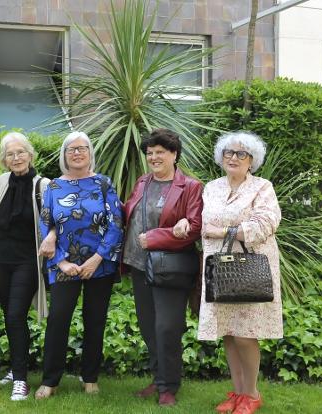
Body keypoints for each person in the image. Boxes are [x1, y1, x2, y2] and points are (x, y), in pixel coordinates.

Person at [198, 131, 283, 414]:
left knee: (247, 333)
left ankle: (252, 393)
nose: (233, 158)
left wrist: (224, 231)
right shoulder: (211, 187)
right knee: (229, 333)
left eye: (241, 154)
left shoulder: (262, 187)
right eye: (228, 153)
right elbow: (202, 222)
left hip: (249, 268)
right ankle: (237, 393)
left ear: (252, 161)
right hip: (219, 270)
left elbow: (266, 223)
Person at [34, 131, 123, 399]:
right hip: (63, 266)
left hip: (100, 266)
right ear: (64, 154)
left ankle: (90, 378)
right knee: (58, 321)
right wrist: (60, 261)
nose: (77, 153)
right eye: (71, 149)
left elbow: (116, 223)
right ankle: (50, 380)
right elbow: (45, 224)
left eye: (82, 148)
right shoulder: (54, 187)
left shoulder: (103, 183)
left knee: (94, 321)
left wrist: (97, 259)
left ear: (90, 153)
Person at [122, 128, 203, 407]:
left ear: (174, 154)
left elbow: (193, 228)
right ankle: (159, 379)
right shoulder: (143, 182)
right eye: (150, 153)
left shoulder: (190, 186)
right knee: (148, 327)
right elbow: (129, 213)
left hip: (170, 268)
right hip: (139, 265)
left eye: (160, 152)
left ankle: (169, 387)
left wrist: (155, 237)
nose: (154, 157)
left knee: (167, 327)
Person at [0, 132, 50, 401]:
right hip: (3, 262)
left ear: (30, 154)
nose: (16, 157)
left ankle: (21, 381)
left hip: (28, 261)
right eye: (10, 154)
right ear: (4, 160)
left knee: (15, 315)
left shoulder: (44, 185)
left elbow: (56, 218)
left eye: (20, 152)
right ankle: (17, 368)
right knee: (11, 317)